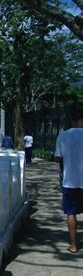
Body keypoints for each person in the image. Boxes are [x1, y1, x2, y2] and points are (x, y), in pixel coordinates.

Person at [54, 104, 83, 254]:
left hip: (70, 181)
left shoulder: (63, 136)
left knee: (71, 213)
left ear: (72, 120)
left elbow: (58, 159)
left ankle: (74, 245)